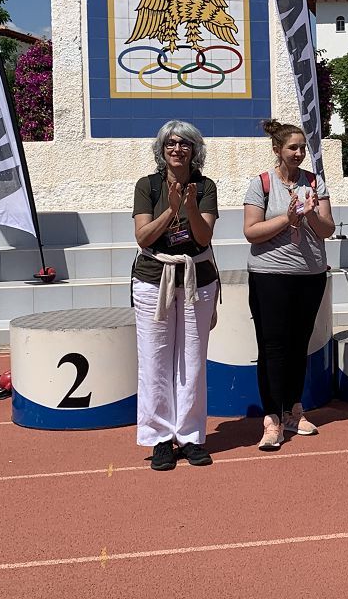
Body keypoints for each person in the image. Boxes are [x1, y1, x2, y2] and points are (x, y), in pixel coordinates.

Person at [132, 120, 219, 471]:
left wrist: (191, 206)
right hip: (155, 279)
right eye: (170, 143)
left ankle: (191, 436)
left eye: (184, 144)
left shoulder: (205, 186)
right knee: (154, 361)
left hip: (197, 279)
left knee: (192, 361)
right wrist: (170, 209)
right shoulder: (148, 186)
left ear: (194, 150)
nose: (177, 149)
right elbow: (143, 238)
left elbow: (203, 237)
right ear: (161, 149)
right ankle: (159, 439)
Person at [243, 120, 335, 450]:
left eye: (302, 148)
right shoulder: (262, 184)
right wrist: (288, 218)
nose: (298, 153)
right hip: (270, 276)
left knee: (299, 345)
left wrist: (309, 214)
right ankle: (272, 419)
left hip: (309, 276)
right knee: (272, 348)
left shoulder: (314, 181)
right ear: (277, 150)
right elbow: (251, 231)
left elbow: (326, 229)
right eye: (292, 148)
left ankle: (295, 410)